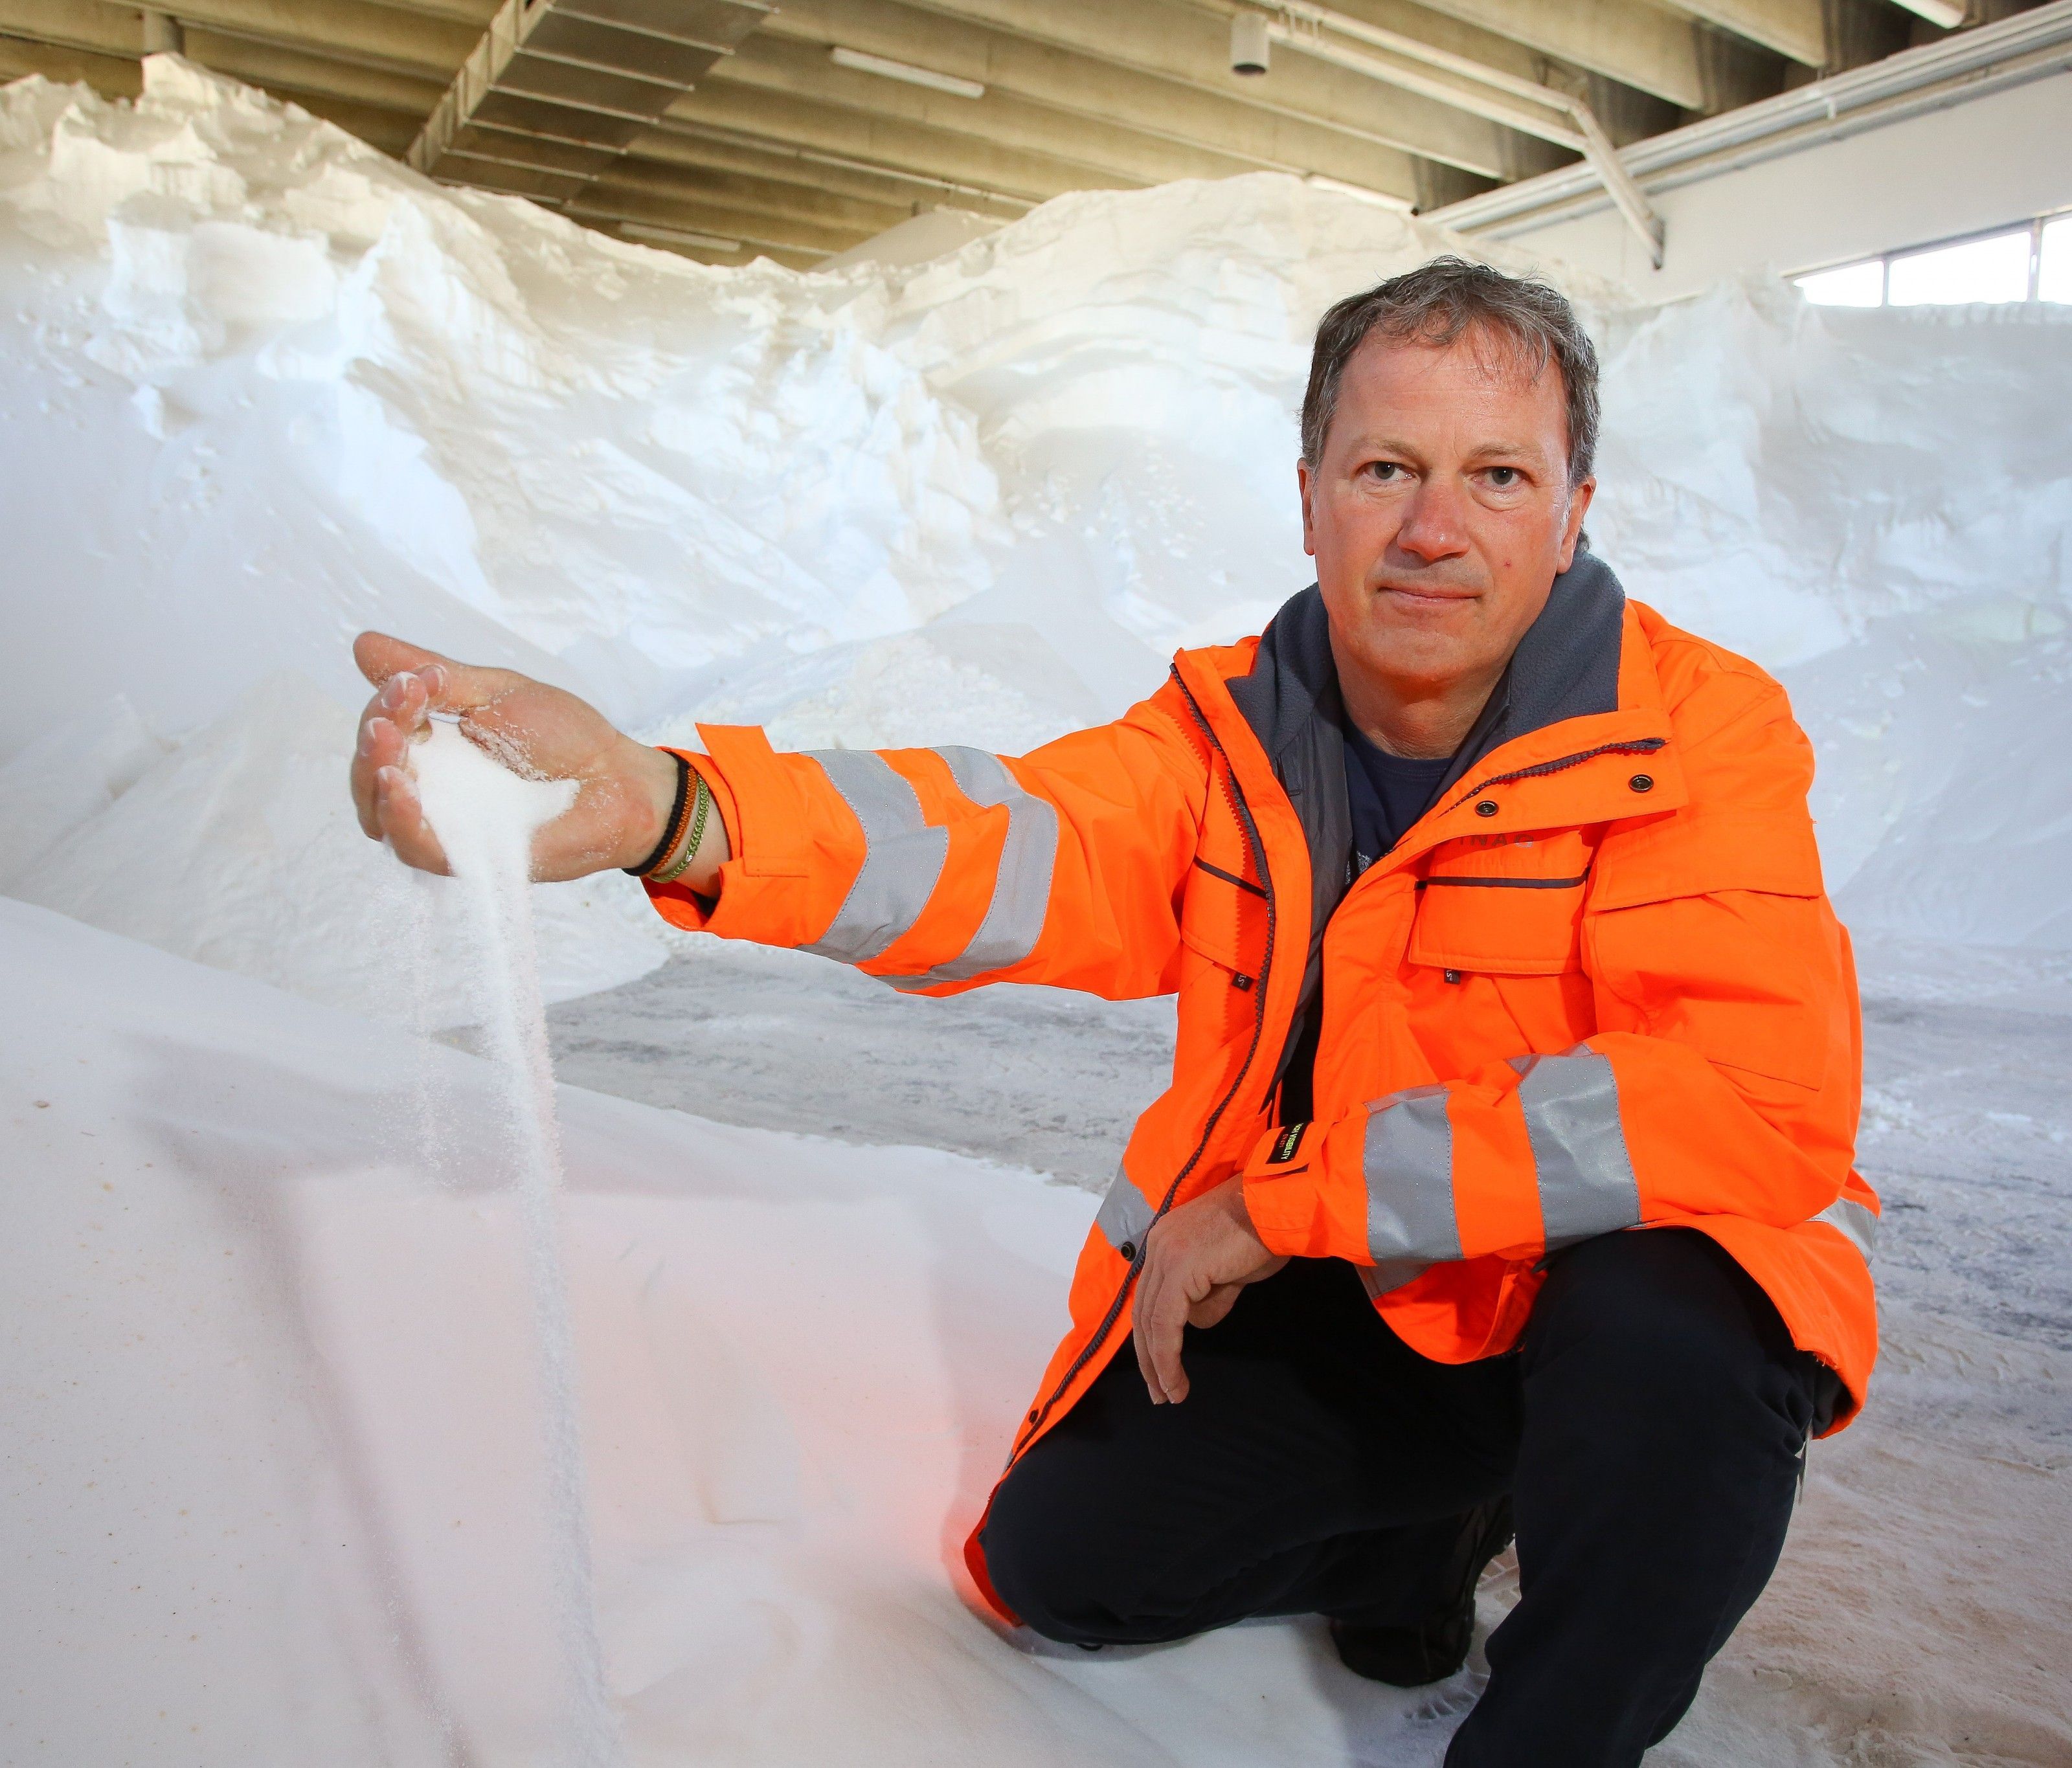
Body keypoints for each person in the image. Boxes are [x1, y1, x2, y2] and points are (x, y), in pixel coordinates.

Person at [349, 258, 1878, 1766]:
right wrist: (675, 812)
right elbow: (1008, 838)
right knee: (1057, 1573)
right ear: (1308, 496)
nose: (1430, 529)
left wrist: (1287, 1205)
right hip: (1374, 1270)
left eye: (1495, 476)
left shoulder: (1699, 731)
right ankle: (1410, 1547)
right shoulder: (1232, 740)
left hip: (1614, 1283)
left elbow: (1742, 1089)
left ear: (1572, 512)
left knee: (1671, 1341)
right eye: (1384, 467)